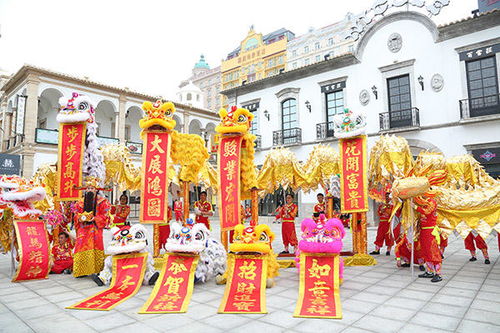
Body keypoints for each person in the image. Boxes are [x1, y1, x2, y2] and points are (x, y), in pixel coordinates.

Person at [73, 190, 110, 277]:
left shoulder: (102, 202)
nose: (90, 190)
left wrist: (95, 218)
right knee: (81, 246)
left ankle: (97, 270)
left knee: (96, 246)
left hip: (95, 229)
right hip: (83, 228)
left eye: (92, 188)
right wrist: (80, 218)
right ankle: (81, 271)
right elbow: (75, 215)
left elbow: (106, 216)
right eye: (88, 187)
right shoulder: (80, 202)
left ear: (96, 189)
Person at [415, 196, 443, 283]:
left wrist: (416, 207)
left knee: (433, 252)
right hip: (423, 231)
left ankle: (438, 274)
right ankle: (430, 271)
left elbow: (427, 212)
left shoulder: (432, 202)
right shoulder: (422, 202)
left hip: (430, 231)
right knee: (425, 251)